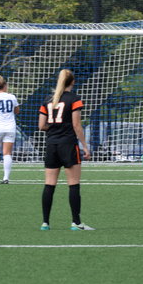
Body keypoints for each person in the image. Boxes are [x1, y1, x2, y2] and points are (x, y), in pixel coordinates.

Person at [38, 69, 93, 231]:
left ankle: (45, 223)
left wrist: (54, 128)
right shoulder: (74, 99)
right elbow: (76, 125)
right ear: (72, 82)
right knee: (73, 184)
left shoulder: (48, 100)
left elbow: (41, 125)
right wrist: (85, 146)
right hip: (68, 144)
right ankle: (76, 223)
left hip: (51, 145)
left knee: (49, 184)